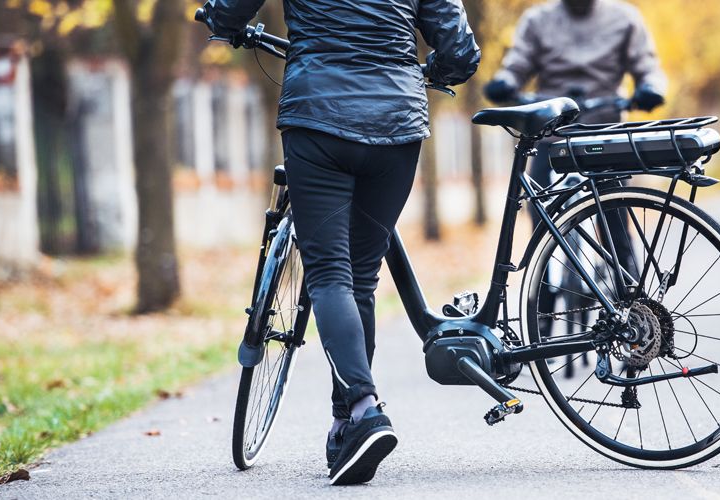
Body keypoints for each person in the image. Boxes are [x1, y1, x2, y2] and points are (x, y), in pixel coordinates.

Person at [202, 0, 479, 485]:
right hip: (397, 123)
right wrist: (429, 71)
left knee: (331, 273)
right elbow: (460, 51)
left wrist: (222, 21)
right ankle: (347, 424)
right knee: (361, 276)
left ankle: (365, 408)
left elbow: (232, 9)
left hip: (319, 120)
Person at [484, 0, 667, 187]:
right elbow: (517, 65)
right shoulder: (537, 20)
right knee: (539, 200)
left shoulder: (625, 18)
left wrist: (650, 88)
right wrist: (504, 83)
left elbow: (647, 66)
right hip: (553, 133)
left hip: (605, 133)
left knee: (616, 201)